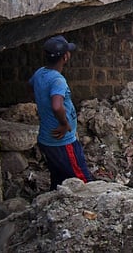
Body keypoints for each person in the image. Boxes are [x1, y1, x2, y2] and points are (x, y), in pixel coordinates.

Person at [31, 35, 94, 190]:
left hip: (47, 138)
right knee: (83, 181)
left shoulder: (40, 73)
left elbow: (31, 85)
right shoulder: (57, 80)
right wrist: (64, 123)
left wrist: (41, 105)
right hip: (63, 141)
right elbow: (57, 106)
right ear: (65, 56)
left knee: (58, 178)